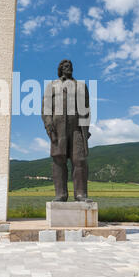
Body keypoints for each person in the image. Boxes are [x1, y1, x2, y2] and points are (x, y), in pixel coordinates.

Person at [41, 59, 91, 202]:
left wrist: (85, 129)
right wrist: (49, 125)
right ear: (61, 69)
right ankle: (61, 194)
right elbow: (46, 108)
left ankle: (80, 194)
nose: (69, 68)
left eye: (70, 66)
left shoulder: (81, 86)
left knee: (79, 160)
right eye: (66, 66)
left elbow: (86, 109)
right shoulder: (52, 86)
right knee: (58, 159)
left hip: (76, 128)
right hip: (58, 129)